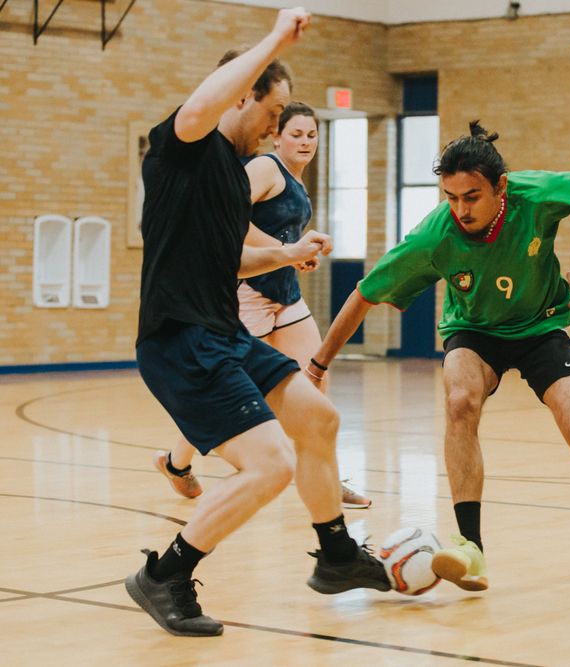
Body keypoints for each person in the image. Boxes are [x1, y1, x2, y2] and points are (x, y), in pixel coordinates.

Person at [308, 121, 570, 591]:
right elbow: (364, 294)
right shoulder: (434, 236)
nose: (460, 209)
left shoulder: (533, 194)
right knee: (460, 403)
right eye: (450, 197)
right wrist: (317, 365)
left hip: (540, 326)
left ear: (500, 187)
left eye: (471, 197)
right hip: (473, 330)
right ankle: (470, 547)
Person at [126, 9, 389, 638]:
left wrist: (283, 254)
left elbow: (230, 258)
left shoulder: (224, 178)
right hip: (179, 338)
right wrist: (273, 40)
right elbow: (200, 105)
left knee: (318, 420)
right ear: (241, 95)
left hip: (223, 333)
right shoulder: (185, 148)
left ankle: (335, 556)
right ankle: (166, 574)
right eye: (273, 116)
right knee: (270, 462)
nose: (277, 129)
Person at [152, 101, 371, 510]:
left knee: (316, 375)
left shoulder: (298, 180)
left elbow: (282, 234)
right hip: (247, 293)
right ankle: (175, 462)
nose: (305, 141)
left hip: (285, 295)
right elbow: (229, 219)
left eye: (312, 135)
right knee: (231, 388)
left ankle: (328, 475)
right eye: (296, 134)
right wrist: (288, 250)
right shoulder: (264, 169)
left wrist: (299, 251)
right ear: (277, 136)